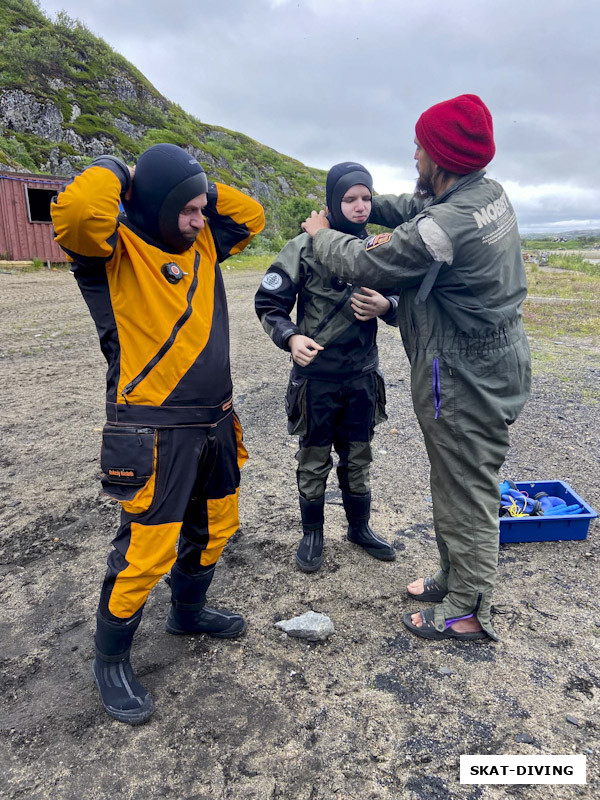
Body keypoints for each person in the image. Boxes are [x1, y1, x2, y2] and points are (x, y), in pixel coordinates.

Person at [302, 96, 531, 641]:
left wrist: (321, 232)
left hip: (463, 374)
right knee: (453, 478)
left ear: (442, 156)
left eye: (420, 147)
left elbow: (364, 262)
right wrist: (370, 204)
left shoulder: (447, 225)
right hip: (484, 359)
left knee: (467, 486)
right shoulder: (485, 193)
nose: (414, 155)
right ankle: (456, 580)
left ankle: (467, 610)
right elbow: (418, 207)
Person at [51, 143, 265, 723]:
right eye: (188, 209)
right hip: (152, 430)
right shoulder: (112, 252)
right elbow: (75, 214)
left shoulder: (205, 243)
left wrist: (199, 188)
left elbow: (252, 216)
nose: (201, 221)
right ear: (155, 203)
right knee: (147, 551)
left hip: (216, 420)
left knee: (218, 525)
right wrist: (123, 174)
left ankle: (188, 613)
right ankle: (111, 658)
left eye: (202, 209)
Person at [255, 162, 399, 573]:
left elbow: (406, 302)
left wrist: (386, 306)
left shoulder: (380, 249)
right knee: (314, 457)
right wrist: (291, 337)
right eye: (349, 199)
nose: (359, 207)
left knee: (358, 456)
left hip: (361, 377)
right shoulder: (303, 246)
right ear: (332, 204)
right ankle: (312, 533)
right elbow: (268, 303)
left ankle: (360, 528)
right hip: (315, 379)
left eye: (366, 198)